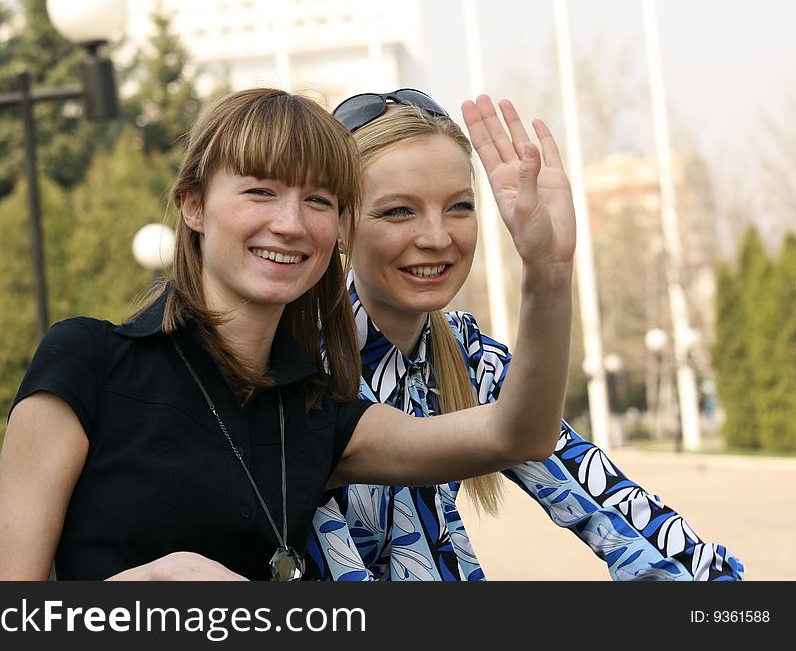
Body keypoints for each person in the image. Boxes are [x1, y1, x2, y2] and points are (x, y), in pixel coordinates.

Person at [0, 87, 576, 581]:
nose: (289, 224)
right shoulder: (86, 362)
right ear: (193, 205)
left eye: (317, 200)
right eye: (260, 191)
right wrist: (151, 586)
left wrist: (548, 275)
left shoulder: (318, 411)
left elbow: (516, 434)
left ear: (338, 227)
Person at [304, 88, 743, 581]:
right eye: (398, 211)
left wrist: (550, 270)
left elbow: (607, 500)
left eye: (459, 207)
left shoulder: (471, 356)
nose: (436, 237)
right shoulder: (295, 365)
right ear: (338, 224)